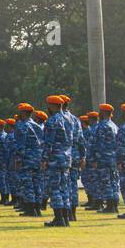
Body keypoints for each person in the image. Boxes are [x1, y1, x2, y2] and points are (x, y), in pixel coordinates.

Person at [41, 95, 72, 227]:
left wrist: (44, 159)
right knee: (64, 188)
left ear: (53, 106)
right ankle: (65, 218)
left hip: (55, 158)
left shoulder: (52, 121)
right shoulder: (69, 119)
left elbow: (49, 143)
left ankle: (58, 218)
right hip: (66, 158)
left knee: (55, 188)